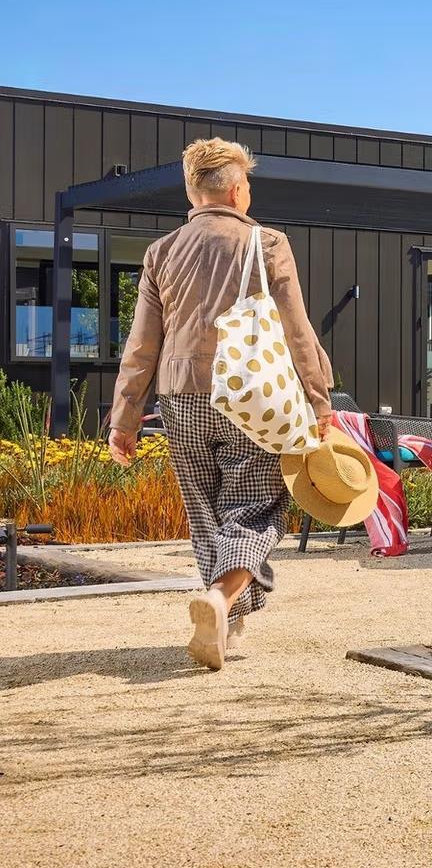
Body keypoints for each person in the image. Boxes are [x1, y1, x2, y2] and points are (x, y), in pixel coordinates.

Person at [108, 138, 334, 670]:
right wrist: (319, 400)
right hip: (252, 397)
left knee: (206, 514)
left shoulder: (161, 252)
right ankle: (219, 600)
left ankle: (226, 624)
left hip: (180, 398)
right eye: (247, 183)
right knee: (256, 507)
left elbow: (141, 345)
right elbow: (297, 330)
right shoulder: (267, 243)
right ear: (236, 192)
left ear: (194, 192)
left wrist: (124, 418)